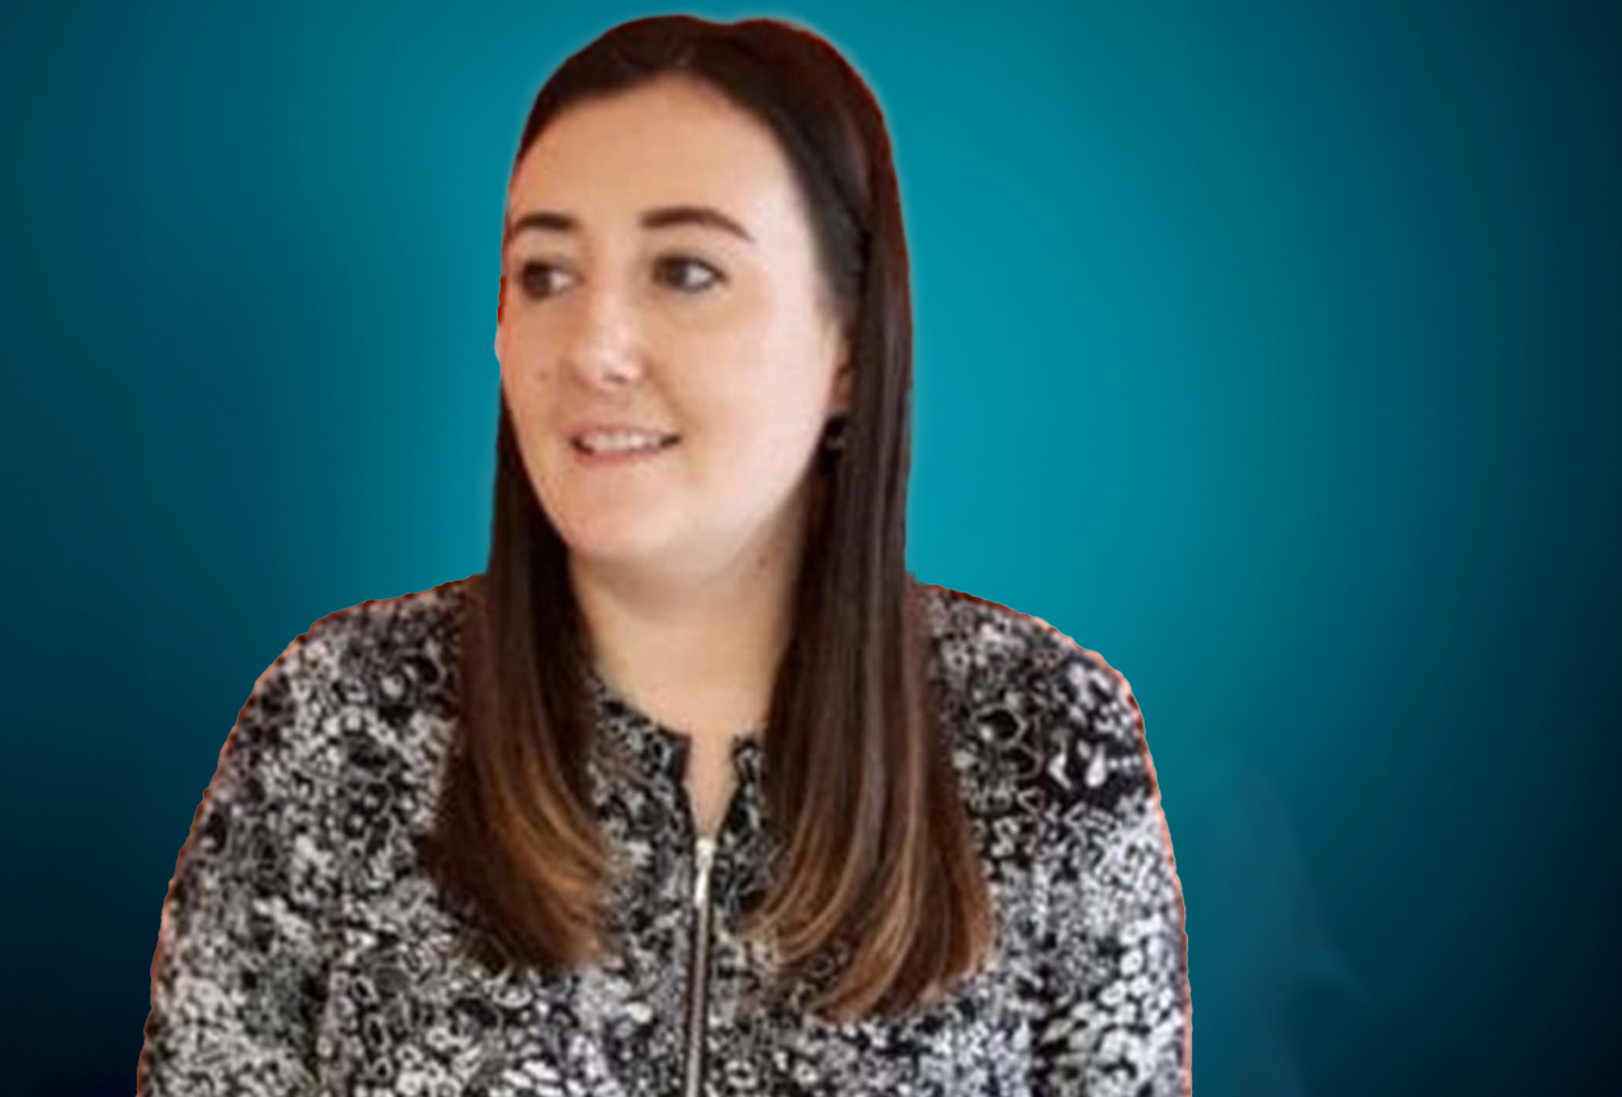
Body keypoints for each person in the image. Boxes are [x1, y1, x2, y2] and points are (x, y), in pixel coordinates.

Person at [137, 14, 1191, 1096]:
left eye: (685, 270)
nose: (593, 347)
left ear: (848, 345)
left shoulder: (1048, 743)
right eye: (545, 272)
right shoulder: (337, 717)